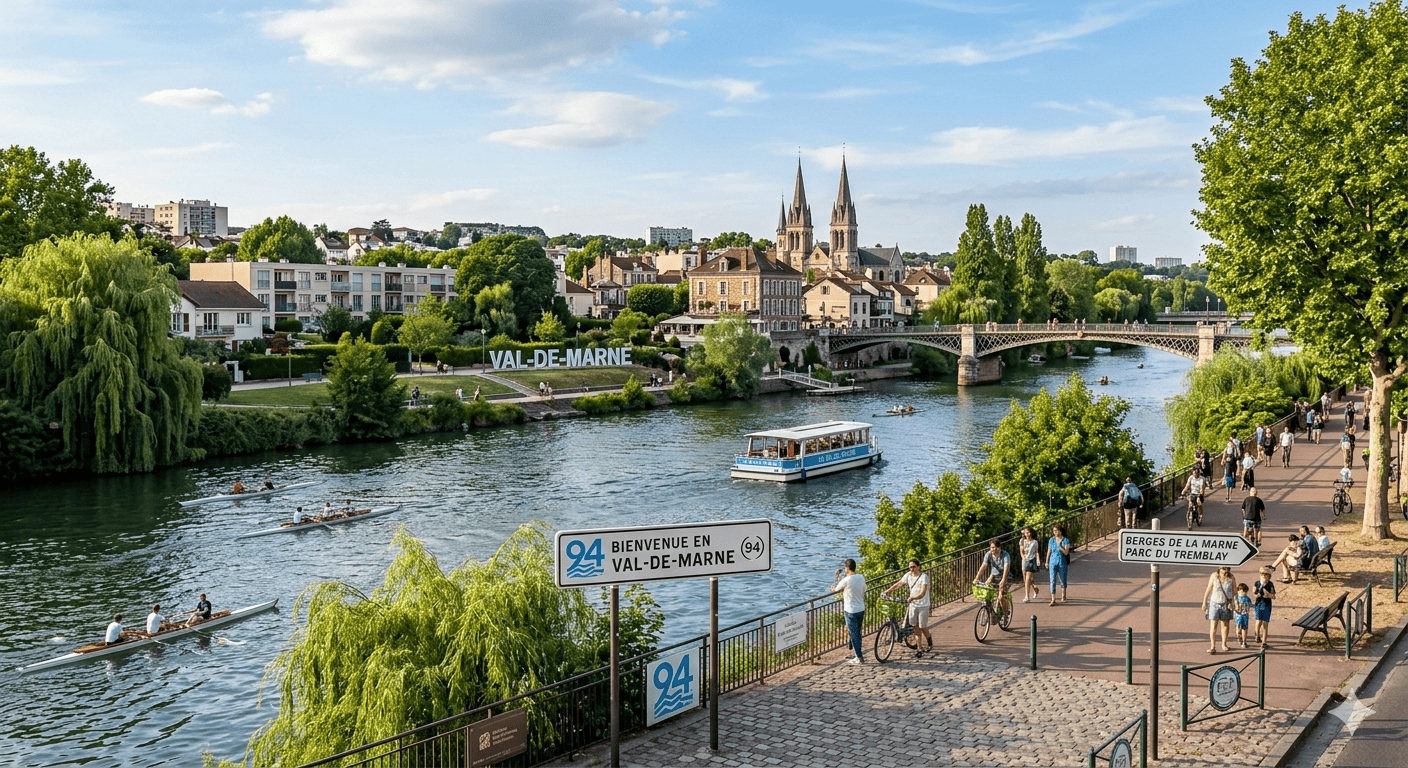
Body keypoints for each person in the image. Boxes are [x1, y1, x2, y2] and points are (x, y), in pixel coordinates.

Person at [883, 559, 931, 657]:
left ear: (918, 567)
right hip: (913, 605)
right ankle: (919, 648)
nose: (912, 569)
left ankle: (929, 641)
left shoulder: (924, 577)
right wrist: (888, 591)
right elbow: (899, 584)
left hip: (923, 605)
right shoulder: (908, 576)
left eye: (913, 567)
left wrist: (913, 597)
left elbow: (922, 592)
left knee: (922, 626)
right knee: (916, 627)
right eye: (910, 567)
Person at [832, 559, 866, 665]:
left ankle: (859, 657)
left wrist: (833, 587)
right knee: (857, 632)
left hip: (850, 611)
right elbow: (859, 589)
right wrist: (840, 579)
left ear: (847, 568)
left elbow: (836, 589)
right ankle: (855, 650)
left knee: (853, 633)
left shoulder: (846, 580)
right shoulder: (861, 577)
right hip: (861, 609)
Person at [1201, 566, 1235, 653]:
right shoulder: (1214, 576)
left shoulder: (1231, 577)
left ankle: (1224, 644)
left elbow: (1234, 591)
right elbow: (1209, 588)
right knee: (1213, 626)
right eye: (1223, 569)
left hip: (1226, 603)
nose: (1225, 571)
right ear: (1219, 568)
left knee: (1225, 626)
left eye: (1227, 569)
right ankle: (1212, 646)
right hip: (1214, 603)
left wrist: (1235, 603)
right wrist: (1204, 602)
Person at [1045, 525, 1072, 606]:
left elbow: (1066, 552)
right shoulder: (1051, 540)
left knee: (1062, 579)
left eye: (1057, 531)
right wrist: (1046, 561)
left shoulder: (1065, 540)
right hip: (1053, 561)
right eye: (1054, 531)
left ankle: (1063, 595)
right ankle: (1053, 598)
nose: (1055, 532)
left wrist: (1060, 547)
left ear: (1060, 531)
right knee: (1052, 579)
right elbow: (1049, 551)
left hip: (1062, 561)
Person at [1253, 567, 1276, 648]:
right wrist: (1256, 595)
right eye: (1262, 575)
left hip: (1267, 604)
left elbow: (1273, 596)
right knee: (1258, 621)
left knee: (1265, 624)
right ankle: (1257, 635)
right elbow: (1254, 592)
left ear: (1269, 576)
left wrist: (1269, 595)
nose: (1264, 577)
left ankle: (1264, 642)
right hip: (1259, 604)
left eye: (1266, 575)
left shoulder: (1270, 584)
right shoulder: (1257, 583)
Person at [1018, 527, 1041, 603]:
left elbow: (1036, 552)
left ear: (1031, 533)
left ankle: (1027, 596)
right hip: (1025, 561)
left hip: (1032, 560)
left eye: (1028, 532)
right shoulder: (1022, 541)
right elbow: (1021, 551)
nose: (1027, 534)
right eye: (1025, 533)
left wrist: (1038, 560)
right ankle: (1035, 588)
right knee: (1026, 580)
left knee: (1028, 579)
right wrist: (1023, 557)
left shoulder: (1035, 542)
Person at [1233, 584, 1253, 649]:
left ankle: (1244, 641)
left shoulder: (1247, 598)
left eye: (1245, 591)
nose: (1243, 593)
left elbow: (1250, 605)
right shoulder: (1236, 598)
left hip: (1244, 615)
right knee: (1238, 628)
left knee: (1244, 629)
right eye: (1242, 591)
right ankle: (1239, 637)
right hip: (1238, 616)